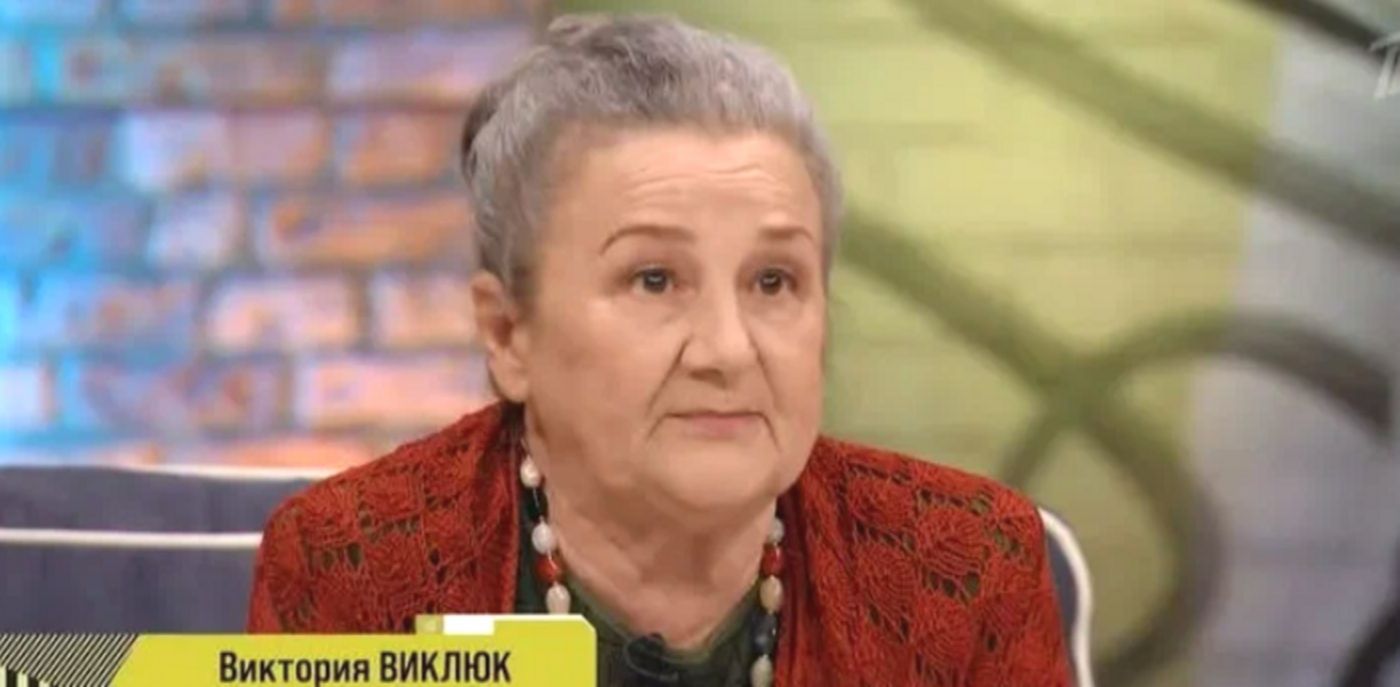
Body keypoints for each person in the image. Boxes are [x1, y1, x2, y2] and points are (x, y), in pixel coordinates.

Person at [248, 13, 1072, 687]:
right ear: (508, 334)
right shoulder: (355, 569)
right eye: (654, 278)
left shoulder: (964, 567)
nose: (727, 349)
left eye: (774, 280)